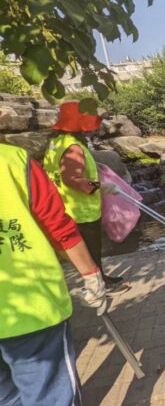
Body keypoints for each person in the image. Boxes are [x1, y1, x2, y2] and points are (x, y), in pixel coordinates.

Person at [0, 142, 116, 406]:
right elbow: (56, 223)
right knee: (52, 401)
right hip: (28, 306)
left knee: (5, 390)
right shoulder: (11, 159)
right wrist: (91, 275)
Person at [42, 102, 122, 287]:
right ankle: (100, 283)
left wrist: (95, 166)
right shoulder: (73, 147)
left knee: (84, 250)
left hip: (64, 206)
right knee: (92, 249)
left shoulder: (55, 143)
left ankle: (100, 278)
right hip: (82, 210)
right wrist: (101, 186)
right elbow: (72, 178)